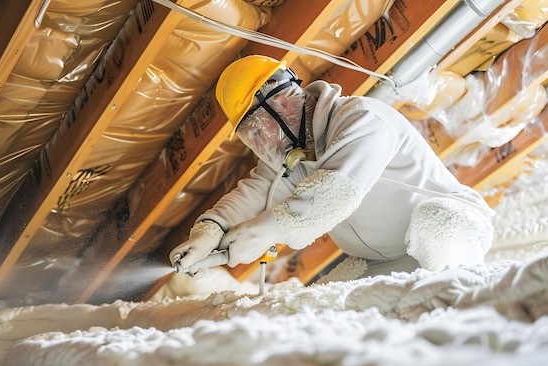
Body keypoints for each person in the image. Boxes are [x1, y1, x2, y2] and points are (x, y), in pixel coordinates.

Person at [169, 54, 494, 281]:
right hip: (385, 259)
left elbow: (334, 193)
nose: (258, 143)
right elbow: (252, 194)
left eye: (256, 130)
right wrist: (207, 233)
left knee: (437, 225)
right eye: (249, 137)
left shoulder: (363, 119)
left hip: (455, 227)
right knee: (332, 309)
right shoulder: (292, 156)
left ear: (280, 105)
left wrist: (265, 231)